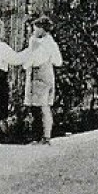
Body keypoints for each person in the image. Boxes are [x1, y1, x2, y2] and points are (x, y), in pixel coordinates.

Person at [18, 16, 63, 144]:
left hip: (41, 76)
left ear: (43, 29)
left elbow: (38, 60)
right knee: (38, 107)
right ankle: (41, 136)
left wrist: (28, 62)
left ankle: (44, 136)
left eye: (36, 28)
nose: (34, 30)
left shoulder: (44, 43)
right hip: (41, 75)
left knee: (42, 107)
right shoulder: (39, 41)